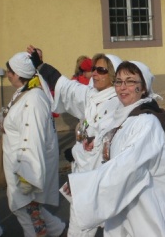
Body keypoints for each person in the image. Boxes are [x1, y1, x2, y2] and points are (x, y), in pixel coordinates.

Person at [67, 61, 165, 237]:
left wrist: (85, 187)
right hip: (123, 201)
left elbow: (127, 165)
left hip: (144, 208)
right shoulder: (122, 116)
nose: (122, 87)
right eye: (118, 81)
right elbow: (110, 152)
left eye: (130, 81)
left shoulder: (146, 122)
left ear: (143, 88)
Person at [27, 45, 122, 237]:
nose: (94, 73)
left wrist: (76, 152)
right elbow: (66, 86)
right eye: (93, 68)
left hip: (98, 178)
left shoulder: (116, 104)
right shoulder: (91, 94)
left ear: (113, 75)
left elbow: (102, 143)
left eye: (101, 70)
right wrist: (40, 64)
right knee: (81, 227)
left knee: (112, 226)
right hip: (83, 175)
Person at [1, 52, 65, 237]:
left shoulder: (33, 99)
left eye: (10, 72)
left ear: (18, 73)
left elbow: (32, 137)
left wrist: (28, 176)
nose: (8, 75)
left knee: (25, 211)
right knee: (27, 209)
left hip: (24, 167)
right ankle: (59, 229)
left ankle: (51, 231)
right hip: (17, 164)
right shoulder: (24, 93)